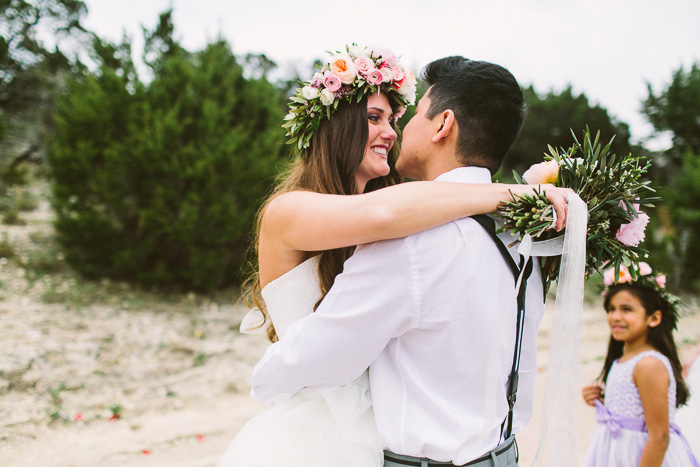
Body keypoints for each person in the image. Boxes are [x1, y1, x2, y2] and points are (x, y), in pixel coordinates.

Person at [249, 55, 570, 466]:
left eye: (403, 116)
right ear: (338, 126)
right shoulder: (517, 235)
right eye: (375, 118)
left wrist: (265, 378)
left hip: (365, 432)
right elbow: (386, 214)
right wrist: (508, 195)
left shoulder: (410, 239)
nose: (393, 130)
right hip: (330, 431)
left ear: (443, 124)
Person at [581, 265, 699, 466]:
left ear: (654, 318)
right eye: (611, 309)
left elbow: (659, 437)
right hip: (615, 452)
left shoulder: (649, 364)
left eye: (626, 309)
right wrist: (598, 399)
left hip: (640, 456)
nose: (616, 316)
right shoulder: (623, 359)